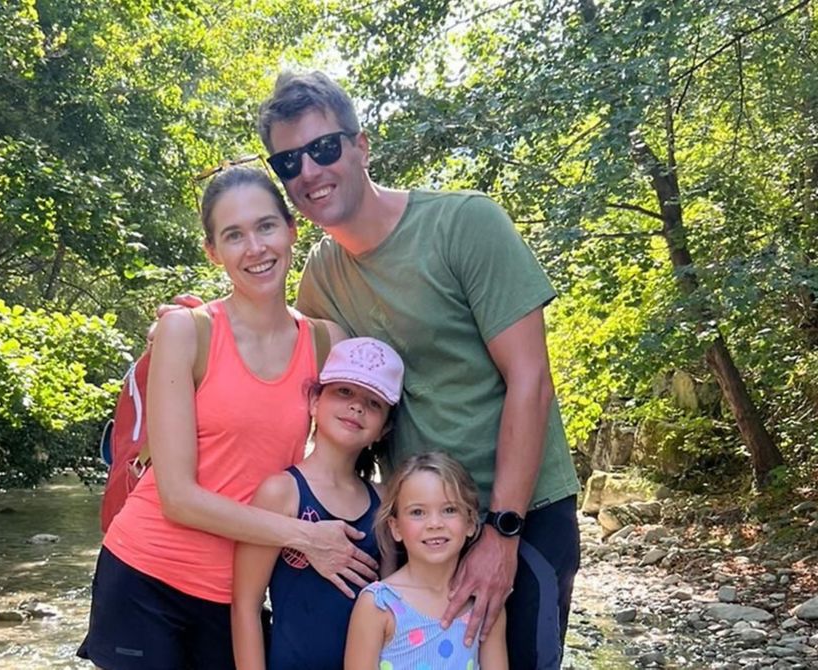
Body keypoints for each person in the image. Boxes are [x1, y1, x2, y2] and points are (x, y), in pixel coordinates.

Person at [159, 72, 581, 669]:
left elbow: (531, 381)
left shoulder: (466, 224)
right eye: (288, 161)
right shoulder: (322, 279)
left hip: (521, 513)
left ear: (361, 145)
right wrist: (192, 321)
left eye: (324, 147)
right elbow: (280, 353)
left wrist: (501, 533)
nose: (309, 170)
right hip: (409, 526)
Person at [77, 167, 381, 670]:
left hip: (239, 591)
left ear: (291, 230)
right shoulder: (186, 332)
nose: (255, 248)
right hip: (144, 578)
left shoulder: (328, 342)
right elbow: (177, 498)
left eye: (265, 227)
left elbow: (364, 424)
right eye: (233, 235)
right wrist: (308, 536)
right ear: (213, 251)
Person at [232, 336, 404, 670]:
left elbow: (393, 604)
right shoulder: (281, 492)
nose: (356, 406)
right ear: (314, 401)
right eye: (344, 392)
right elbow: (245, 606)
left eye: (373, 403)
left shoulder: (383, 500)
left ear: (384, 429)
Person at [344, 452, 508, 670]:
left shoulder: (482, 603)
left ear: (470, 522)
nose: (434, 523)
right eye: (418, 512)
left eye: (449, 510)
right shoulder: (379, 605)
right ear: (396, 527)